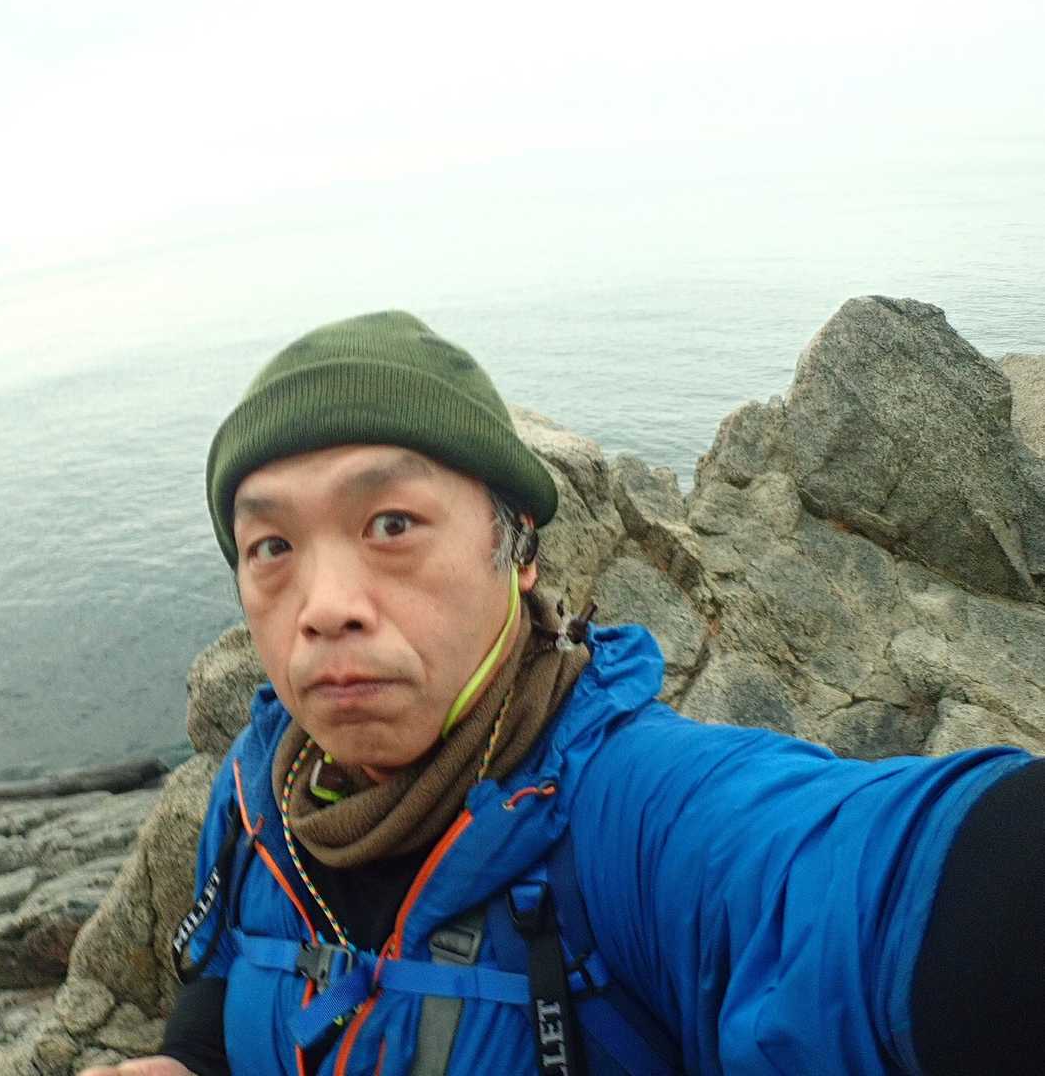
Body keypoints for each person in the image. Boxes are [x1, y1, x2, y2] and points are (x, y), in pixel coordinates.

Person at [80, 311, 1043, 1076]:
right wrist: (184, 1062)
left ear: (517, 550)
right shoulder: (259, 790)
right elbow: (224, 980)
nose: (325, 608)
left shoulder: (633, 816)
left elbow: (874, 888)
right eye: (272, 546)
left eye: (392, 523)